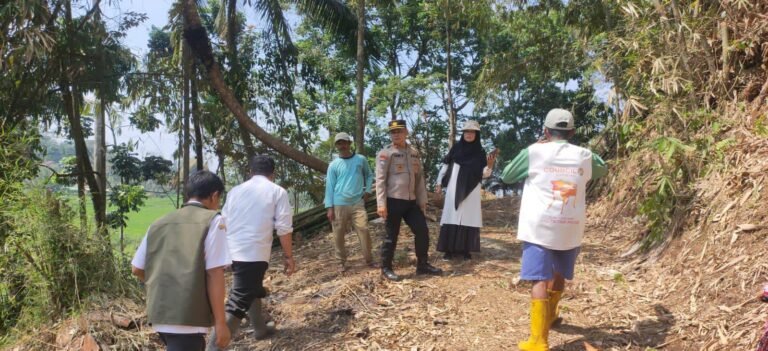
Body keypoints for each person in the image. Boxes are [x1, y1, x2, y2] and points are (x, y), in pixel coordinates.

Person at [501, 109, 607, 351]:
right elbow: (602, 169)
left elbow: (507, 176)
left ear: (546, 132)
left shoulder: (534, 152)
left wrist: (534, 147)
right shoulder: (584, 155)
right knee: (559, 273)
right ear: (572, 132)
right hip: (569, 226)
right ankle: (550, 316)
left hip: (539, 225)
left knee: (539, 277)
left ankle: (538, 341)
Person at [131, 170, 231, 351]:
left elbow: (137, 269)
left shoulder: (159, 222)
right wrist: (221, 323)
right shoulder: (214, 221)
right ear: (214, 196)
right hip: (188, 315)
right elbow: (214, 273)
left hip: (160, 313)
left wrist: (166, 288)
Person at [207, 155, 295, 351]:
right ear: (272, 174)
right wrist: (288, 257)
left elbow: (224, 221)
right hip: (253, 254)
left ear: (250, 172)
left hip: (232, 251)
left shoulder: (236, 191)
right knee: (238, 302)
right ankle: (213, 348)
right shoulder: (277, 191)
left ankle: (260, 329)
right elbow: (284, 228)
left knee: (252, 287)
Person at [375, 119, 443, 281]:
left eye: (399, 131)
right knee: (391, 236)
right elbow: (380, 180)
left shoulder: (414, 153)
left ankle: (422, 265)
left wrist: (422, 200)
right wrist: (381, 204)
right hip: (393, 201)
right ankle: (386, 268)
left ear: (406, 132)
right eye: (393, 132)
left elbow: (419, 179)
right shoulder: (386, 153)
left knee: (422, 231)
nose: (396, 134)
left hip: (411, 202)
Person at [435, 120, 496, 260]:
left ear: (477, 134)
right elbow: (445, 165)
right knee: (452, 215)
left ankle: (465, 250)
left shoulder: (480, 153)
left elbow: (484, 174)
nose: (469, 134)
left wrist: (490, 165)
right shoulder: (456, 148)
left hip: (472, 189)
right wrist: (439, 182)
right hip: (454, 186)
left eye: (472, 132)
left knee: (468, 217)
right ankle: (448, 250)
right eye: (466, 132)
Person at [324, 132, 374, 272]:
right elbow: (329, 186)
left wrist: (368, 190)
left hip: (357, 202)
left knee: (364, 229)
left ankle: (369, 260)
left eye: (345, 142)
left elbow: (369, 175)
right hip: (339, 203)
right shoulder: (333, 165)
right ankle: (341, 262)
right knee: (338, 234)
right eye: (339, 143)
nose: (342, 145)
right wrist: (329, 207)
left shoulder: (360, 159)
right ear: (336, 146)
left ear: (349, 143)